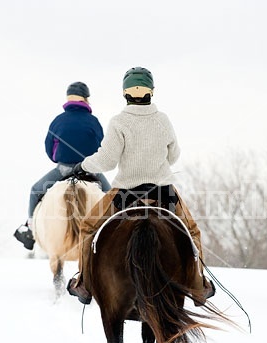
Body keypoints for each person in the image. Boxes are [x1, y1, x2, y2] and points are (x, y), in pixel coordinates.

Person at [66, 66, 215, 305]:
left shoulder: (119, 122)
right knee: (192, 231)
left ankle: (83, 282)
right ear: (151, 92)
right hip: (163, 192)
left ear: (125, 93)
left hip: (125, 193)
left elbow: (107, 160)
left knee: (87, 227)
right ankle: (198, 285)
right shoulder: (163, 119)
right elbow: (173, 156)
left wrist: (83, 165)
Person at [14, 82, 111, 250]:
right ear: (86, 99)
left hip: (63, 168)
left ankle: (30, 229)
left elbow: (49, 147)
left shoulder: (58, 120)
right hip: (90, 169)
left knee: (35, 190)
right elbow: (101, 146)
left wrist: (58, 158)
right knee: (111, 195)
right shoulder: (93, 121)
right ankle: (116, 227)